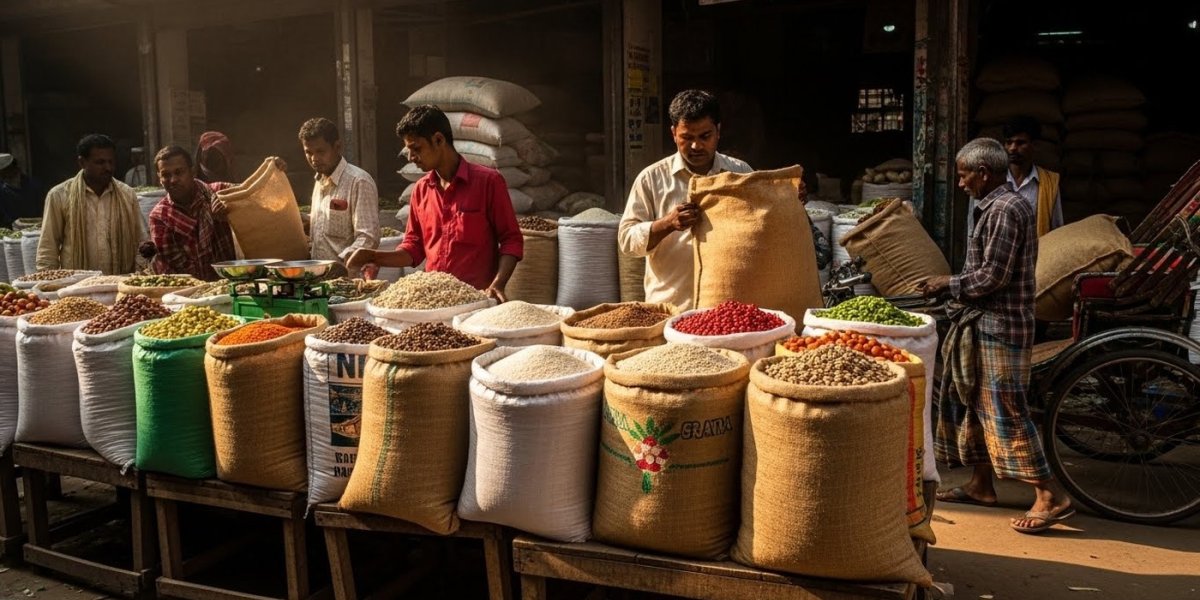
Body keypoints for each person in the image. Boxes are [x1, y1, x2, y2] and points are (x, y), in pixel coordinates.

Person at [918, 137, 1073, 535]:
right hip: (983, 322)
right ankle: (981, 485)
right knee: (972, 403)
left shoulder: (1005, 209)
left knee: (1005, 410)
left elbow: (992, 277)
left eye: (963, 174)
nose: (960, 183)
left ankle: (1050, 495)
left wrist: (946, 283)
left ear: (983, 173)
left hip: (1000, 326)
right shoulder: (993, 205)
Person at [345, 106, 522, 301]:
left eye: (416, 148)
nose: (411, 157)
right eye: (408, 150)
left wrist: (498, 284)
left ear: (439, 140)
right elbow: (413, 249)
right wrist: (372, 256)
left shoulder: (488, 182)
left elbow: (511, 240)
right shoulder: (421, 189)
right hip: (435, 299)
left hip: (476, 299)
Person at [617, 90, 752, 311]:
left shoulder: (740, 173)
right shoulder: (651, 179)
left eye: (704, 136)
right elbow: (627, 241)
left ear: (718, 131)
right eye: (687, 137)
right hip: (671, 306)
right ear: (673, 133)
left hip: (728, 308)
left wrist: (789, 199)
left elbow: (761, 223)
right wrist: (667, 224)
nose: (696, 146)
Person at [36, 134, 146, 274]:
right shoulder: (59, 195)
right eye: (100, 162)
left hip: (119, 284)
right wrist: (47, 283)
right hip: (76, 287)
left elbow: (141, 241)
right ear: (82, 163)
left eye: (111, 162)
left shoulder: (127, 195)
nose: (108, 167)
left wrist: (138, 276)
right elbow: (48, 247)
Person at [143, 146, 239, 281]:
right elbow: (173, 270)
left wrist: (275, 169)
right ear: (159, 178)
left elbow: (255, 195)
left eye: (179, 172)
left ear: (192, 171)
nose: (173, 180)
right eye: (166, 175)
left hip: (236, 283)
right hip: (191, 292)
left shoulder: (219, 192)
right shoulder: (160, 216)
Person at [298, 117, 380, 263]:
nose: (314, 158)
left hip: (346, 279)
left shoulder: (358, 181)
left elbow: (368, 238)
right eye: (308, 152)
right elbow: (325, 224)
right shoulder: (319, 180)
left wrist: (340, 264)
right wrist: (303, 219)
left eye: (320, 151)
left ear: (337, 147)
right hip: (318, 275)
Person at [969, 115, 1063, 237]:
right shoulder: (987, 179)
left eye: (1020, 143)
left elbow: (1057, 230)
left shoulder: (1049, 183)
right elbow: (973, 228)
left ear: (1034, 145)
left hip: (1036, 255)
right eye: (1009, 142)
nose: (1013, 148)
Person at [1, 153, 46, 227]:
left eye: (10, 171)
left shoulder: (34, 185)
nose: (8, 176)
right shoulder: (2, 191)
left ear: (17, 169)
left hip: (37, 228)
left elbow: (44, 209)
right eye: (4, 174)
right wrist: (11, 223)